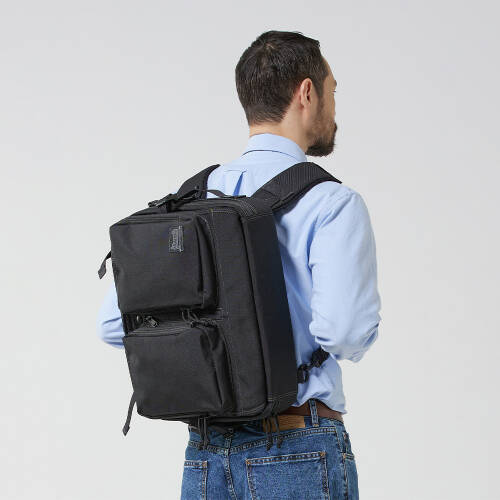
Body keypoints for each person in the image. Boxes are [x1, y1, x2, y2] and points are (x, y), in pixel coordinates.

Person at [97, 30, 381, 500]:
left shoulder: (192, 201)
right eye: (333, 90)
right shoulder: (332, 203)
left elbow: (113, 326)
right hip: (298, 446)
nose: (334, 105)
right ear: (306, 93)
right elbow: (345, 332)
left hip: (206, 452)